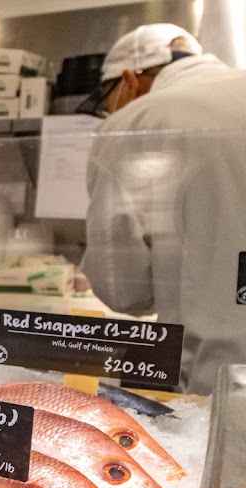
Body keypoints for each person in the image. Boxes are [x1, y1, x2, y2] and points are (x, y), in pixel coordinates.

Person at [79, 24, 246, 394]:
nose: (109, 111)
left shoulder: (135, 123)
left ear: (129, 80)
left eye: (107, 99)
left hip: (217, 382)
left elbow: (125, 291)